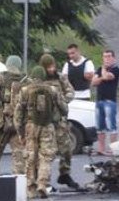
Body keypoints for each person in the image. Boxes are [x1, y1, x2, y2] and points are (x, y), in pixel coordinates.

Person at [15, 66, 67, 199]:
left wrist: (20, 132)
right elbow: (64, 109)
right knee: (46, 156)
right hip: (47, 127)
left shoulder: (25, 90)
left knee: (30, 157)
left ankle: (30, 189)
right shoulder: (53, 90)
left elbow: (18, 114)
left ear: (32, 76)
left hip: (30, 126)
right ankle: (42, 184)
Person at [39, 53, 80, 190]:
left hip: (60, 121)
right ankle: (45, 180)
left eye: (53, 66)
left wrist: (61, 100)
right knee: (47, 152)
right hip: (45, 121)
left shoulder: (60, 77)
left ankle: (65, 174)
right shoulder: (39, 78)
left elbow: (70, 92)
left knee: (66, 149)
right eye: (48, 67)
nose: (51, 69)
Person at [92, 49, 119, 155]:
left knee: (111, 126)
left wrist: (103, 72)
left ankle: (114, 148)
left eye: (109, 56)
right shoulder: (99, 69)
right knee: (100, 126)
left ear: (114, 58)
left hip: (110, 101)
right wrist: (102, 76)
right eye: (105, 56)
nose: (107, 59)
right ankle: (101, 149)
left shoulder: (116, 69)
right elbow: (93, 82)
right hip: (99, 100)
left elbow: (108, 77)